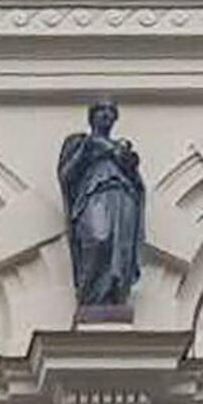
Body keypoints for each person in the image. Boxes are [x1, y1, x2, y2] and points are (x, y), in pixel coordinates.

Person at [58, 100, 145, 308]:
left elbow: (137, 183)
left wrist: (126, 160)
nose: (106, 115)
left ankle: (114, 294)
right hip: (93, 195)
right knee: (99, 238)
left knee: (120, 247)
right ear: (92, 116)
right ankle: (91, 295)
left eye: (110, 111)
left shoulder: (120, 146)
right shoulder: (79, 142)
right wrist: (87, 150)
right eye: (101, 110)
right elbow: (66, 176)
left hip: (123, 196)